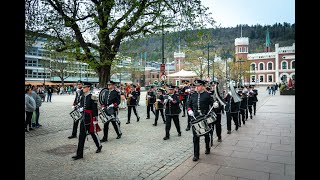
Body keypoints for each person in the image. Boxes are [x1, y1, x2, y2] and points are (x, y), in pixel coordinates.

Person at [72, 82, 102, 160]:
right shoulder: (82, 96)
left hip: (90, 118)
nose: (83, 88)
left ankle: (99, 145)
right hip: (84, 118)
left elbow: (95, 109)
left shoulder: (93, 97)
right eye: (83, 87)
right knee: (81, 136)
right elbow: (82, 105)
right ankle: (79, 154)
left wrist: (95, 119)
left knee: (93, 133)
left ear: (88, 88)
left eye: (84, 87)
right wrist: (79, 108)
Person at [187, 80, 213, 161]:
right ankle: (196, 155)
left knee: (206, 135)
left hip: (204, 117)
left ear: (202, 86)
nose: (196, 87)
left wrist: (216, 105)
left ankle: (207, 148)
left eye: (198, 86)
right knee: (195, 137)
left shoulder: (207, 95)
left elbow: (213, 104)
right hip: (195, 117)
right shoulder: (193, 95)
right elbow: (188, 104)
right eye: (196, 86)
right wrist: (189, 110)